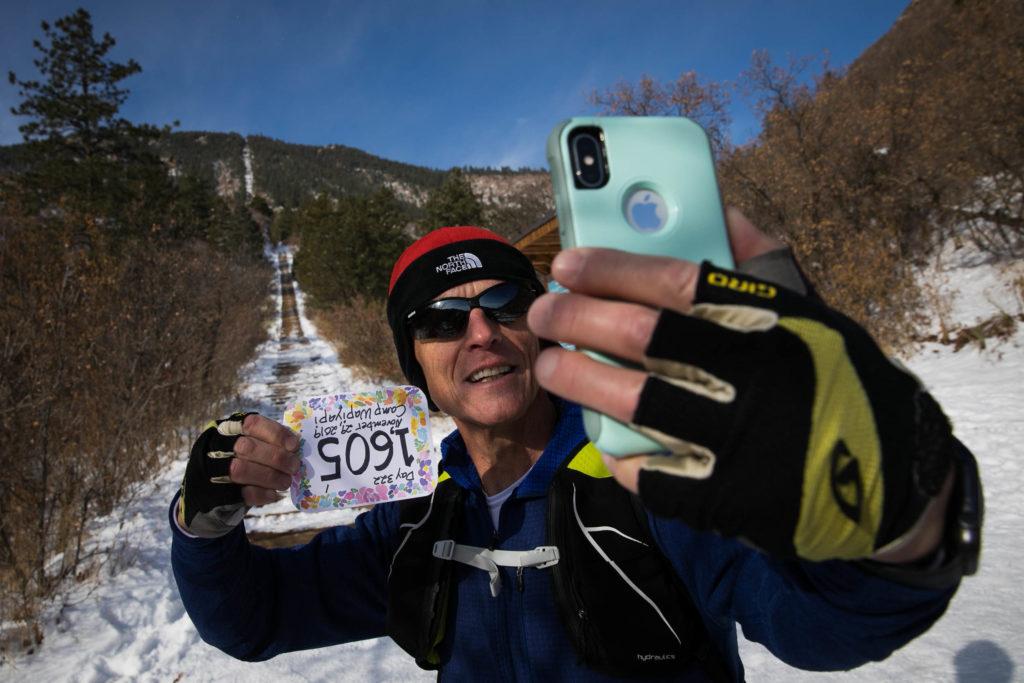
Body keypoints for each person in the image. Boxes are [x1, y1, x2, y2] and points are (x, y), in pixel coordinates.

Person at [171, 212, 981, 681]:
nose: (481, 333)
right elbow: (255, 619)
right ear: (411, 361)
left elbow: (818, 626)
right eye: (443, 321)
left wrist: (897, 513)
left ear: (542, 321)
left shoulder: (648, 473)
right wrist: (204, 521)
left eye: (504, 305)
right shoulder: (415, 515)